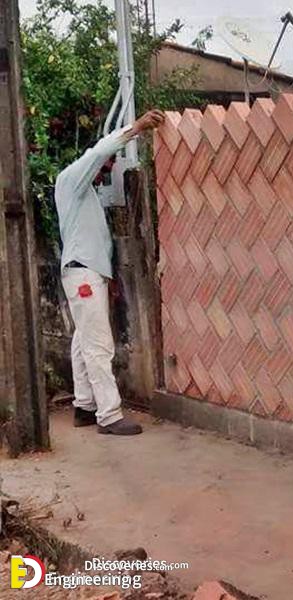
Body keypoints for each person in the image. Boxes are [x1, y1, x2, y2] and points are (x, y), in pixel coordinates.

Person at [55, 110, 165, 435]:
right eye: (105, 166)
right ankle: (109, 415)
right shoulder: (72, 179)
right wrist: (137, 127)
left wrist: (106, 276)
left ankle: (84, 406)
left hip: (86, 272)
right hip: (83, 274)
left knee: (83, 341)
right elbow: (99, 152)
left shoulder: (81, 192)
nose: (106, 170)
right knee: (99, 345)